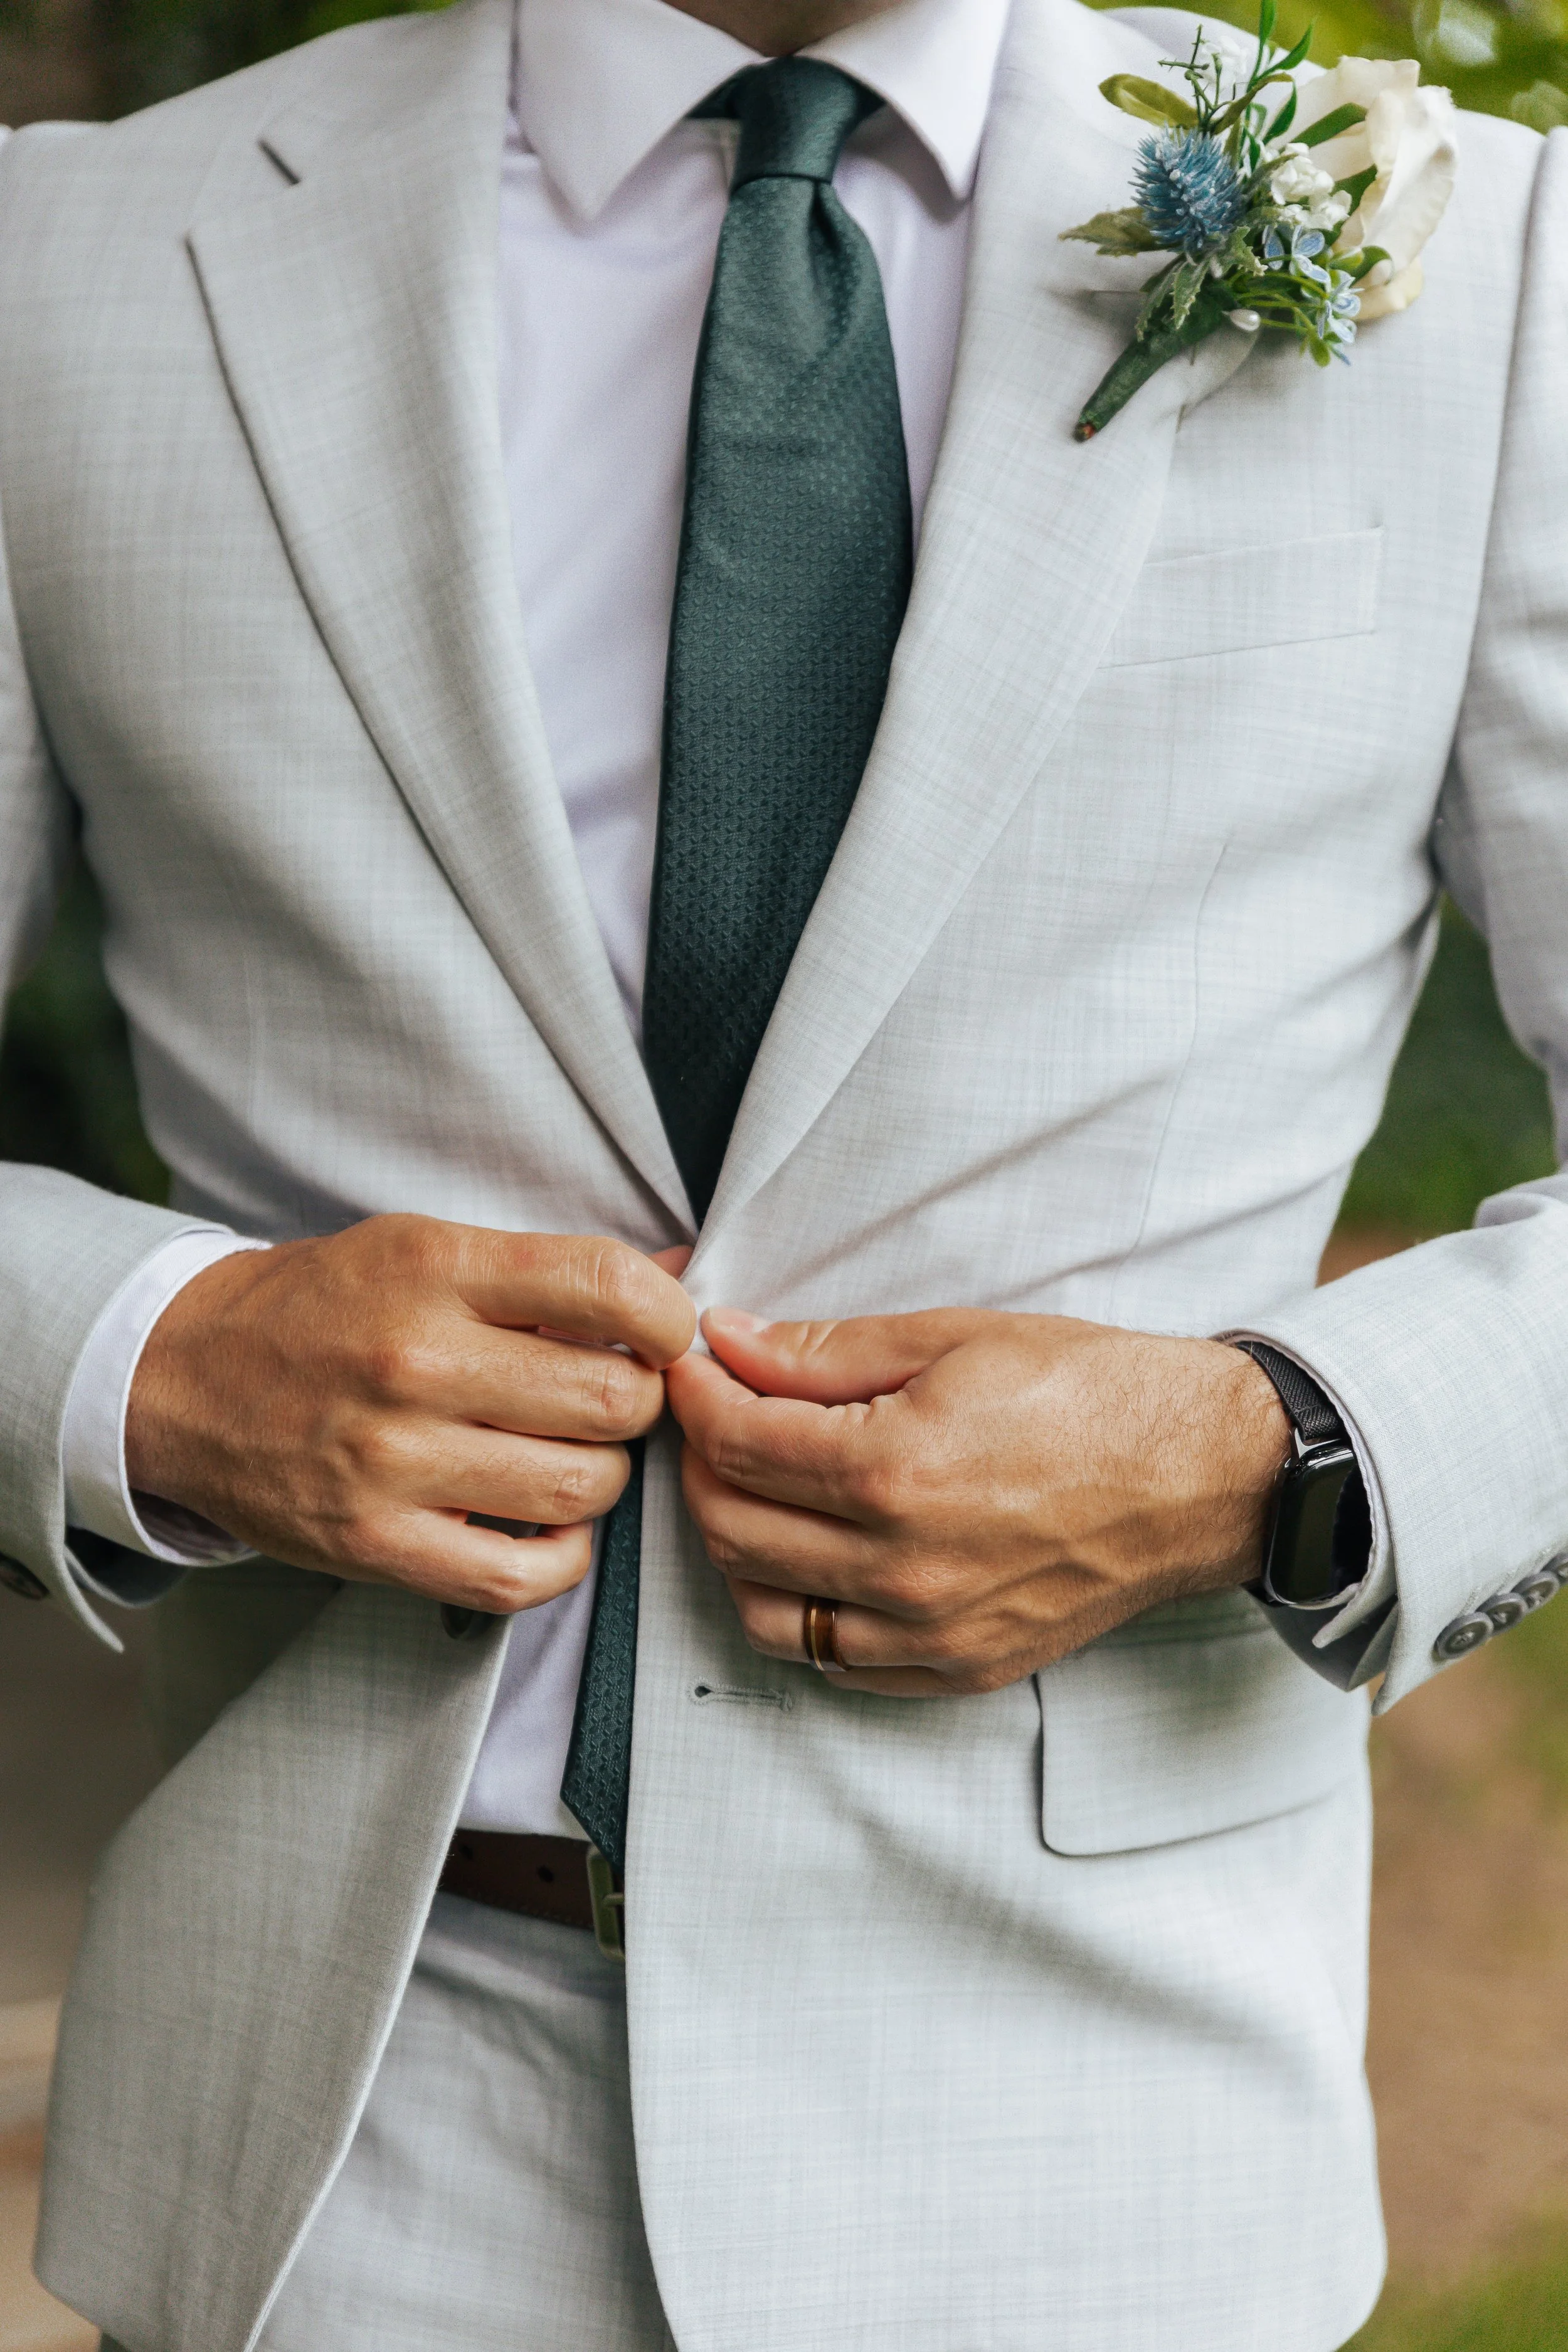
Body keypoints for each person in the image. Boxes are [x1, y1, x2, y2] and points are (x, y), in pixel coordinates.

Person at [1, 0, 1565, 2341]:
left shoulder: (1503, 275)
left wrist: (1255, 1448)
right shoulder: (72, 272)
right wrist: (148, 1362)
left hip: (1106, 2165)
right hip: (335, 2160)